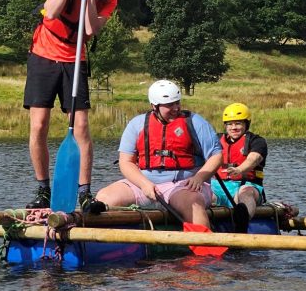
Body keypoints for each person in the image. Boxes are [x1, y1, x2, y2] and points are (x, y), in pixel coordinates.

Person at [23, 0, 134, 210]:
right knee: (39, 125)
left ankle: (84, 192)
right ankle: (43, 190)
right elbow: (50, 12)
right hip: (43, 54)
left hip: (75, 59)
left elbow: (89, 29)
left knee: (80, 126)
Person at [94, 79, 222, 228]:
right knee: (104, 197)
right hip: (145, 184)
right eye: (169, 105)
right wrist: (144, 184)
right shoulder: (137, 124)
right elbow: (126, 162)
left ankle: (205, 248)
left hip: (184, 186)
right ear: (154, 106)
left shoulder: (195, 122)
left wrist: (199, 178)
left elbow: (216, 155)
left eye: (177, 103)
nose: (175, 108)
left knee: (191, 203)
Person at [211, 103, 267, 234]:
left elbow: (254, 159)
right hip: (218, 186)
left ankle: (242, 222)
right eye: (230, 124)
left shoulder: (257, 141)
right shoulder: (216, 139)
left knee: (245, 192)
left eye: (238, 123)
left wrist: (240, 170)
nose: (233, 127)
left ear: (246, 124)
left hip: (246, 184)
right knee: (206, 194)